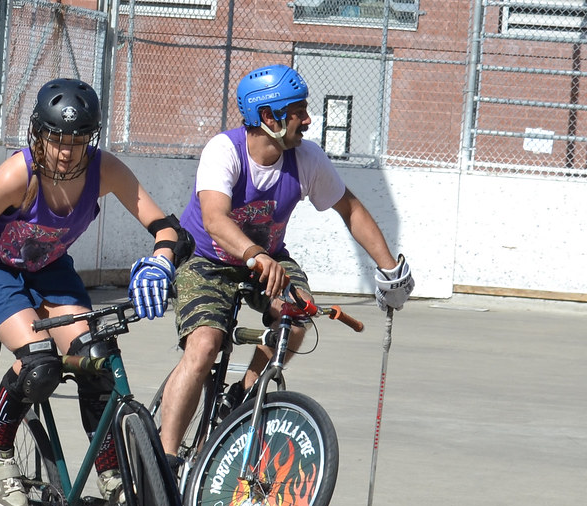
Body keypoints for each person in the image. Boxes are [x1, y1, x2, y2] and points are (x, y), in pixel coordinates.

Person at [0, 78, 193, 506]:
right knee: (40, 363)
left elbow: (167, 227)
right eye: (56, 138)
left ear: (92, 138)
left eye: (78, 139)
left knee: (95, 356)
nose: (66, 151)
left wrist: (161, 259)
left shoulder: (105, 170)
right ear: (38, 134)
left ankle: (108, 469)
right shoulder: (19, 173)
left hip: (49, 269)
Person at [159, 64, 415, 466]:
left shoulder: (306, 158)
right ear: (268, 116)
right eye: (298, 111)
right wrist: (254, 253)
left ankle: (241, 398)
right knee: (205, 345)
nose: (308, 120)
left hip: (268, 258)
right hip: (208, 259)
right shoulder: (224, 151)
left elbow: (350, 210)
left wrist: (389, 270)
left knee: (297, 319)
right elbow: (214, 219)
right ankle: (164, 460)